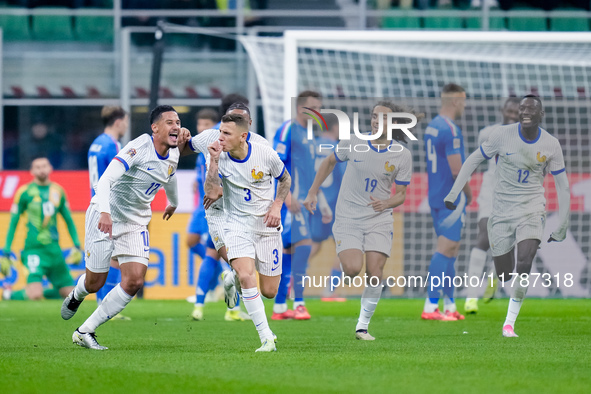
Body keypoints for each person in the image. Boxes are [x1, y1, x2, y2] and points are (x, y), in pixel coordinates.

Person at [445, 95, 570, 337]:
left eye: (529, 109)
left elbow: (562, 186)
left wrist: (563, 224)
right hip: (499, 206)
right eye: (520, 108)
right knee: (505, 273)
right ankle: (492, 281)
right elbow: (473, 159)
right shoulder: (498, 135)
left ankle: (508, 323)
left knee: (525, 261)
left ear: (540, 115)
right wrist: (454, 192)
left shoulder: (551, 144)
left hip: (532, 208)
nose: (523, 112)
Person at [60, 105, 182, 350]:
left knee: (135, 280)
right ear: (154, 128)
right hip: (104, 214)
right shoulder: (138, 147)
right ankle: (77, 294)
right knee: (95, 282)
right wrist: (105, 212)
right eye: (169, 122)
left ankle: (85, 330)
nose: (176, 126)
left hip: (135, 221)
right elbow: (104, 180)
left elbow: (170, 175)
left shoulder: (174, 151)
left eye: (178, 122)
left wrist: (173, 202)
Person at [304, 101, 415, 340]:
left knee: (375, 272)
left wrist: (386, 203)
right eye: (374, 116)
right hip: (348, 216)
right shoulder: (355, 142)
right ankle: (344, 270)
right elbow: (329, 162)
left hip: (379, 218)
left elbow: (402, 194)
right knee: (353, 269)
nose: (376, 121)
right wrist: (313, 191)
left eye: (383, 118)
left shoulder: (402, 155)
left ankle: (362, 327)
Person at [206, 113, 291, 352]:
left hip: (267, 227)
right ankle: (266, 338)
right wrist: (213, 162)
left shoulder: (265, 153)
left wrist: (277, 205)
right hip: (237, 225)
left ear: (243, 136)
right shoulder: (217, 156)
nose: (220, 137)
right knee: (247, 275)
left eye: (226, 133)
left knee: (270, 292)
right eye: (220, 132)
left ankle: (231, 279)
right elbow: (211, 192)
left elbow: (285, 179)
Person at [185, 103, 262, 322]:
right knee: (228, 260)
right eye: (200, 125)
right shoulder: (210, 143)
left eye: (206, 125)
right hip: (215, 209)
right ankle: (229, 307)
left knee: (215, 255)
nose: (203, 129)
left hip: (228, 209)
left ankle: (204, 303)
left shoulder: (243, 146)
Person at [464, 98, 520, 313]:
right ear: (503, 110)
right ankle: (471, 297)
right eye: (510, 109)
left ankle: (492, 279)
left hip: (513, 195)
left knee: (506, 245)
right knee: (484, 237)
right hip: (490, 192)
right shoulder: (487, 133)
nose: (513, 113)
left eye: (517, 110)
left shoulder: (527, 137)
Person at [271, 90, 323, 321]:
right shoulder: (288, 129)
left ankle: (280, 307)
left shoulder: (311, 133)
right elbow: (276, 164)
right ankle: (299, 303)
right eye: (314, 108)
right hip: (291, 202)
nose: (318, 112)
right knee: (303, 246)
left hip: (306, 201)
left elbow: (309, 169)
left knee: (290, 253)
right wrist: (287, 196)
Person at [0, 157, 82, 300]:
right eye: (37, 167)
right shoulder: (25, 192)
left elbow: (68, 220)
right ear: (32, 171)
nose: (41, 169)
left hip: (54, 251)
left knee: (71, 295)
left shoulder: (58, 191)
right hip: (34, 250)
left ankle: (39, 293)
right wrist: (6, 251)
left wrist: (76, 245)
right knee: (35, 294)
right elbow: (13, 223)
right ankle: (10, 294)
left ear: (50, 168)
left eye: (44, 166)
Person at [422, 83, 471, 321]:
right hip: (451, 198)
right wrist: (469, 194)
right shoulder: (450, 130)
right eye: (463, 100)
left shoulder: (432, 126)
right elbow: (457, 170)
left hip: (436, 195)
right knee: (445, 249)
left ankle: (450, 304)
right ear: (455, 101)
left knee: (452, 249)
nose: (465, 105)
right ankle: (431, 306)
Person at [88, 106, 129, 311]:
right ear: (118, 121)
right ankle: (105, 305)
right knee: (113, 257)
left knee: (106, 255)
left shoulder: (96, 143)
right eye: (126, 121)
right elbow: (117, 178)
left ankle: (102, 303)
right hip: (109, 205)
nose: (126, 125)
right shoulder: (112, 144)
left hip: (94, 202)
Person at [309, 117, 346, 301]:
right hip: (335, 206)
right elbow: (345, 177)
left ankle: (292, 283)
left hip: (314, 203)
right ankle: (329, 291)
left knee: (312, 246)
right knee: (343, 248)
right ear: (335, 126)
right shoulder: (338, 148)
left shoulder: (311, 145)